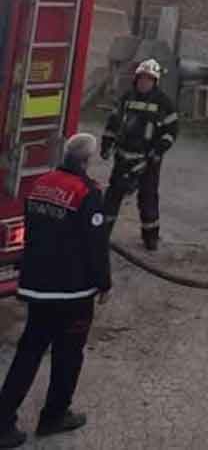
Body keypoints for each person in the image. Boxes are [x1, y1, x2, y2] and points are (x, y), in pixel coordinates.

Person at [0, 133, 111, 447]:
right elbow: (95, 245)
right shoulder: (87, 193)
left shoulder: (41, 183)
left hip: (37, 286)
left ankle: (3, 421)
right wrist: (103, 283)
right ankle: (54, 416)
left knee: (29, 352)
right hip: (72, 292)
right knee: (68, 354)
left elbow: (32, 230)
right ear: (86, 161)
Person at [102, 58, 178, 251]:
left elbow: (171, 132)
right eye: (142, 79)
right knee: (113, 195)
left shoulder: (164, 103)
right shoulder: (127, 98)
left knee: (148, 197)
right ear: (136, 79)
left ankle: (150, 237)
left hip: (147, 160)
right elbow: (113, 123)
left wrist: (158, 151)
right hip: (123, 156)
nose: (144, 82)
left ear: (155, 81)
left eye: (149, 79)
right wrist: (106, 144)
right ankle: (101, 233)